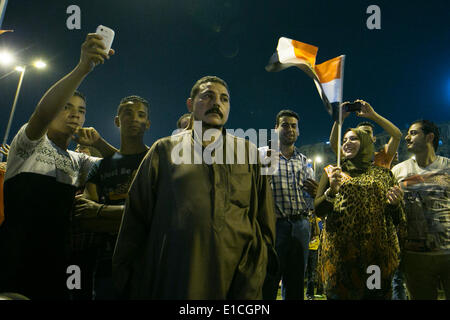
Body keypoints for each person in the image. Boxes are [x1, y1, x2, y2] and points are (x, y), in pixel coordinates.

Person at [112, 76, 276, 299]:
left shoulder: (248, 153)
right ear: (190, 105)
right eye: (208, 96)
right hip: (176, 279)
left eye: (224, 99)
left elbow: (264, 221)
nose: (216, 103)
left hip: (238, 283)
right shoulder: (165, 150)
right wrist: (128, 279)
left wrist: (257, 269)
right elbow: (136, 218)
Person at [0, 33, 116, 300]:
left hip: (55, 266)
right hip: (14, 259)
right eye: (66, 106)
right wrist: (82, 68)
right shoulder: (29, 143)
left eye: (81, 109)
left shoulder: (80, 161)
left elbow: (125, 165)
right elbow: (41, 114)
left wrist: (100, 143)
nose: (75, 113)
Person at [314, 128, 406, 300]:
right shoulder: (333, 173)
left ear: (365, 144)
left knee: (374, 296)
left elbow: (397, 219)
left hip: (375, 258)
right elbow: (319, 210)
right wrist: (331, 192)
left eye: (353, 139)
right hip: (340, 258)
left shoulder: (384, 175)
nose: (347, 143)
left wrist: (394, 205)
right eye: (344, 140)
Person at [73, 95, 151, 300]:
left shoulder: (155, 161)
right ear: (117, 120)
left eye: (141, 114)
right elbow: (85, 216)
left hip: (147, 262)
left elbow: (154, 215)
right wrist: (133, 219)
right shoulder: (100, 166)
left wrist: (100, 212)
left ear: (148, 123)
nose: (134, 118)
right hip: (107, 264)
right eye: (128, 113)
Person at [261, 110, 318, 300]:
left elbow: (310, 200)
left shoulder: (303, 161)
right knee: (268, 280)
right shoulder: (262, 156)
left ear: (299, 131)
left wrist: (316, 193)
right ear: (275, 128)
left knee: (295, 284)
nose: (290, 129)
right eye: (285, 125)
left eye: (294, 126)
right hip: (275, 226)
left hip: (301, 226)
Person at [392, 120, 449, 300]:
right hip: (415, 257)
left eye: (414, 133)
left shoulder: (447, 167)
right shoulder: (398, 171)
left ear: (429, 137)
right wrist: (393, 204)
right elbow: (393, 213)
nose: (407, 137)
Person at [329, 99, 402, 169]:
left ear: (374, 139)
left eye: (367, 132)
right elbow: (334, 143)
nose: (364, 135)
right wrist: (340, 119)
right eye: (360, 134)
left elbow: (397, 135)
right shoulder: (349, 156)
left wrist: (373, 115)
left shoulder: (382, 157)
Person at [305, 213, 321, 300]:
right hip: (304, 247)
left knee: (311, 273)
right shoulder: (304, 220)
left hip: (313, 249)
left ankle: (310, 294)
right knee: (302, 272)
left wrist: (314, 221)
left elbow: (318, 232)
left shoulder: (318, 220)